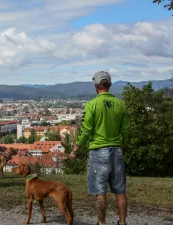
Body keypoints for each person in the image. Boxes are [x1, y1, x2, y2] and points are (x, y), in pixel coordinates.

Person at [70, 71, 130, 225]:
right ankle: (122, 222)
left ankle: (101, 223)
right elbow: (125, 130)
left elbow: (86, 130)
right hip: (117, 151)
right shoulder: (120, 104)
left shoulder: (92, 105)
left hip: (99, 152)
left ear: (96, 86)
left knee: (100, 191)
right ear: (109, 85)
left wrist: (76, 148)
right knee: (120, 191)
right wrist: (122, 143)